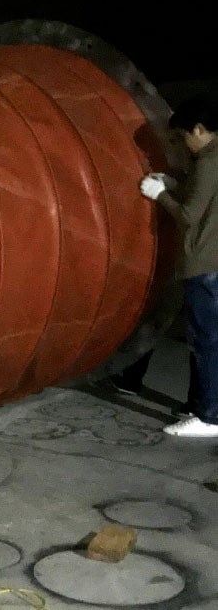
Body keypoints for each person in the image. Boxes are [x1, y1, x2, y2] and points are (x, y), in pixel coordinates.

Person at [140, 93, 218, 437]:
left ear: (199, 129)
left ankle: (209, 417)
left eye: (184, 135)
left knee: (206, 341)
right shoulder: (212, 159)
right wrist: (176, 183)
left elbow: (188, 215)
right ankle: (202, 406)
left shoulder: (208, 162)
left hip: (205, 263)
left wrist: (160, 195)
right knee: (209, 340)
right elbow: (205, 198)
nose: (184, 143)